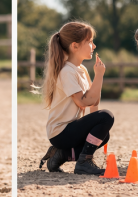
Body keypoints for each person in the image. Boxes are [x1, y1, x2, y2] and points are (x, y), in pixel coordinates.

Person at [35, 22, 112, 175]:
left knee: (103, 134)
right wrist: (99, 75)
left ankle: (61, 155)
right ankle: (84, 162)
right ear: (75, 46)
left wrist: (99, 77)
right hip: (60, 132)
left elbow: (93, 101)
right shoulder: (67, 72)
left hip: (71, 129)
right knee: (107, 116)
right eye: (89, 42)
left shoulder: (81, 69)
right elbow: (82, 102)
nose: (94, 46)